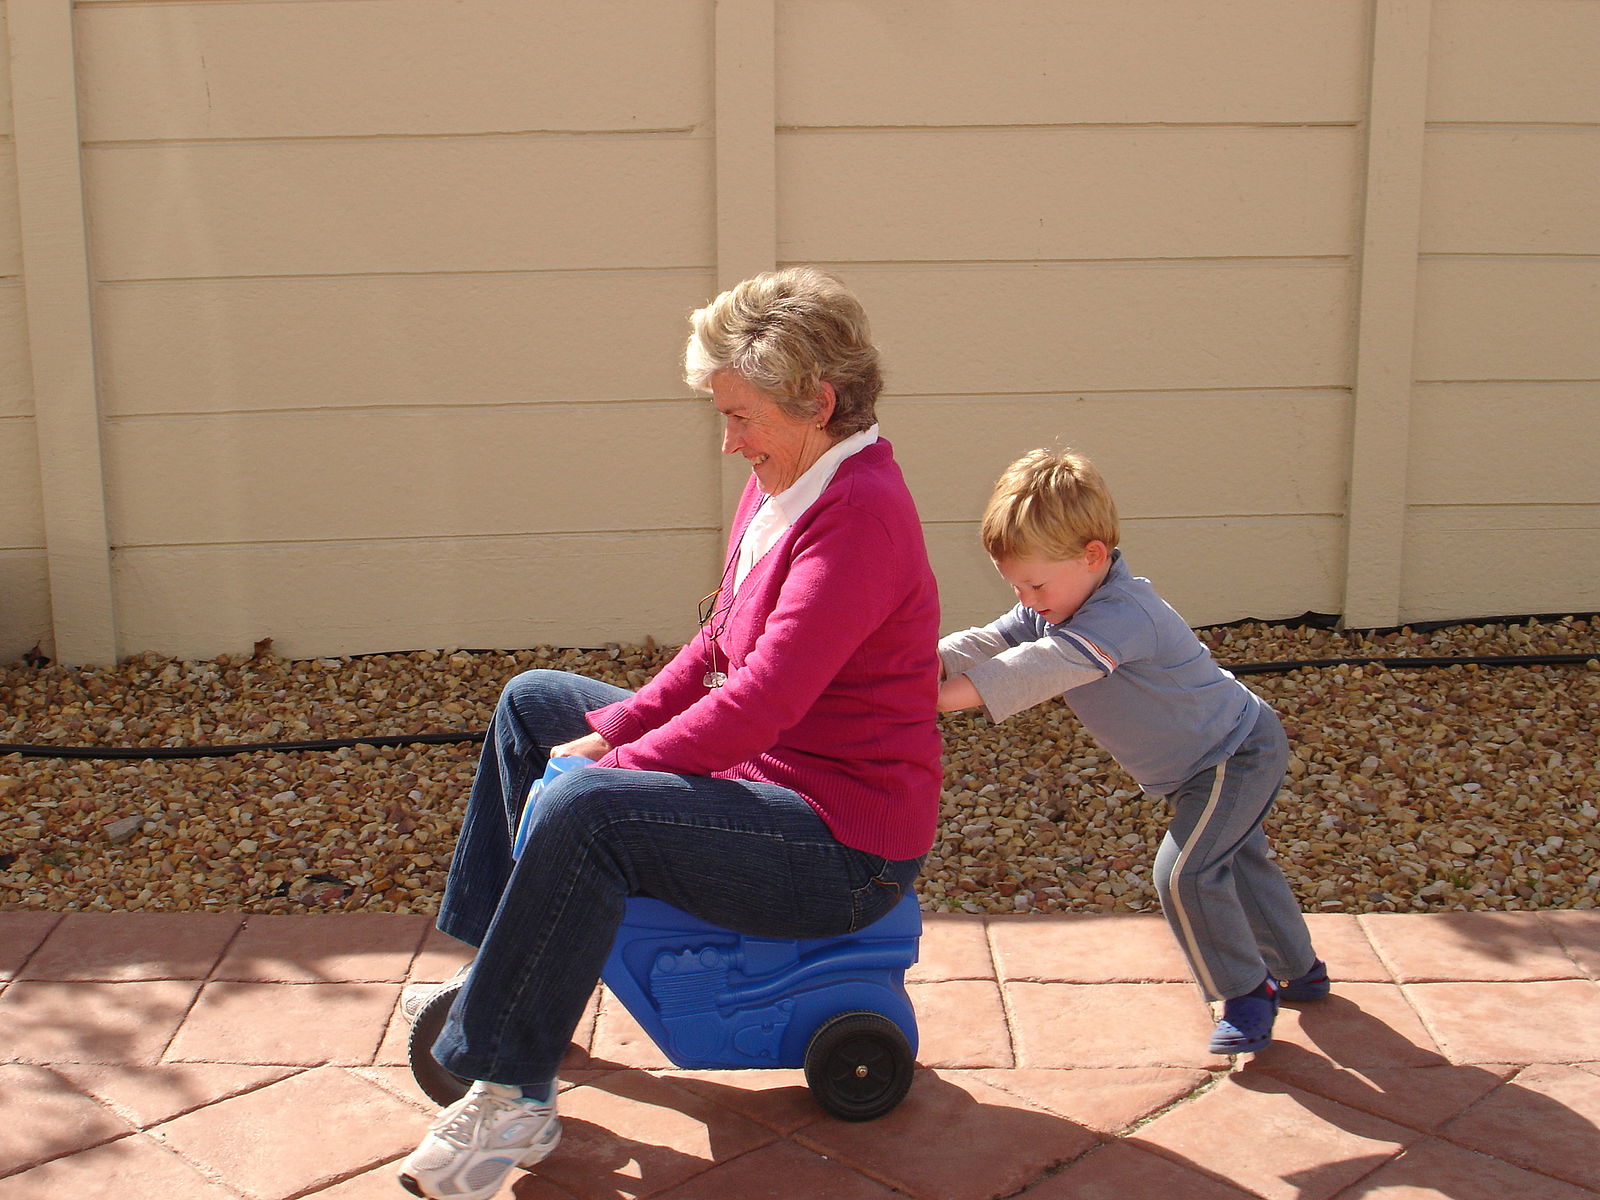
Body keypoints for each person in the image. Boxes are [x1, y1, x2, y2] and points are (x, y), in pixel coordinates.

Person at [397, 267, 943, 1200]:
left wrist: (609, 770)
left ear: (818, 401)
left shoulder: (859, 521)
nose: (729, 442)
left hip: (840, 846)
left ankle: (509, 1095)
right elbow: (715, 647)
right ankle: (509, 978)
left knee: (590, 814)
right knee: (535, 704)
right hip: (773, 780)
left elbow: (761, 702)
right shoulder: (793, 481)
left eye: (742, 417)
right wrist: (610, 732)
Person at [936, 447, 1328, 1057]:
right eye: (1015, 584)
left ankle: (1247, 992)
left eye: (1034, 582)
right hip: (1205, 762)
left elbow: (1044, 666)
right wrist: (923, 662)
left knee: (1186, 871)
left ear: (1092, 557)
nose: (1026, 597)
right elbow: (993, 640)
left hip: (1235, 753)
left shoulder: (1123, 614)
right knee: (1241, 861)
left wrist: (938, 699)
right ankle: (1302, 970)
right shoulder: (1055, 602)